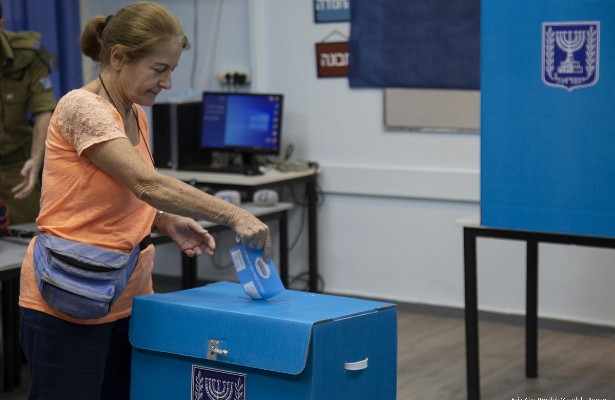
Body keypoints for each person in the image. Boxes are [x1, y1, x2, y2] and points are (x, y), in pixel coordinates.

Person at [18, 2, 272, 399]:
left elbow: (118, 195)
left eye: (172, 69)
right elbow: (144, 182)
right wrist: (233, 214)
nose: (167, 82)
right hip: (67, 298)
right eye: (159, 69)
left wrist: (164, 221)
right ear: (118, 57)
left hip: (127, 297)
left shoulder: (135, 113)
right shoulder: (82, 108)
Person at [0, 4, 56, 226]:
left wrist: (35, 159)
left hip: (17, 167)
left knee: (32, 239)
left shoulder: (27, 56)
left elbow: (44, 109)